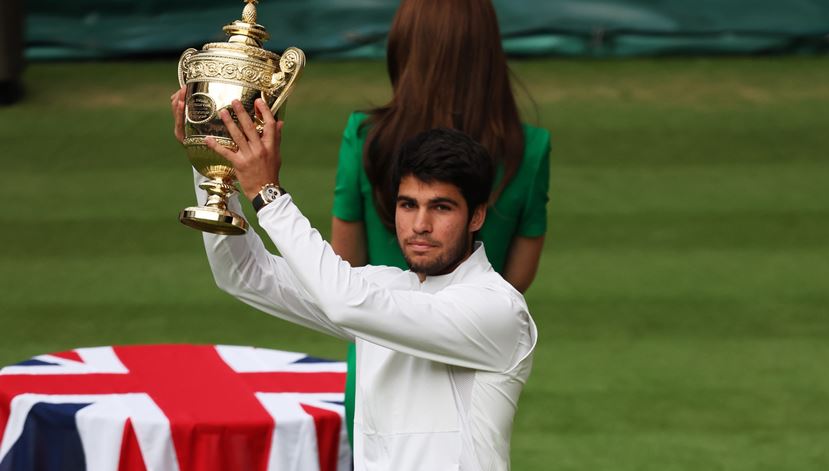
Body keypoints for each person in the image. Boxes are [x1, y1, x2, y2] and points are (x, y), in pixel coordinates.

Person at [175, 94, 537, 470]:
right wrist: (214, 163)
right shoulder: (384, 291)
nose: (420, 225)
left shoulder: (497, 309)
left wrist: (269, 196)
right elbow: (243, 274)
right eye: (408, 204)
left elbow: (346, 301)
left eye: (441, 207)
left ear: (476, 216)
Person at [330, 0, 551, 444]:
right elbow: (516, 280)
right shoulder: (529, 148)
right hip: (470, 374)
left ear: (406, 46)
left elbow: (344, 266)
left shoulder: (364, 135)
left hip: (378, 372)